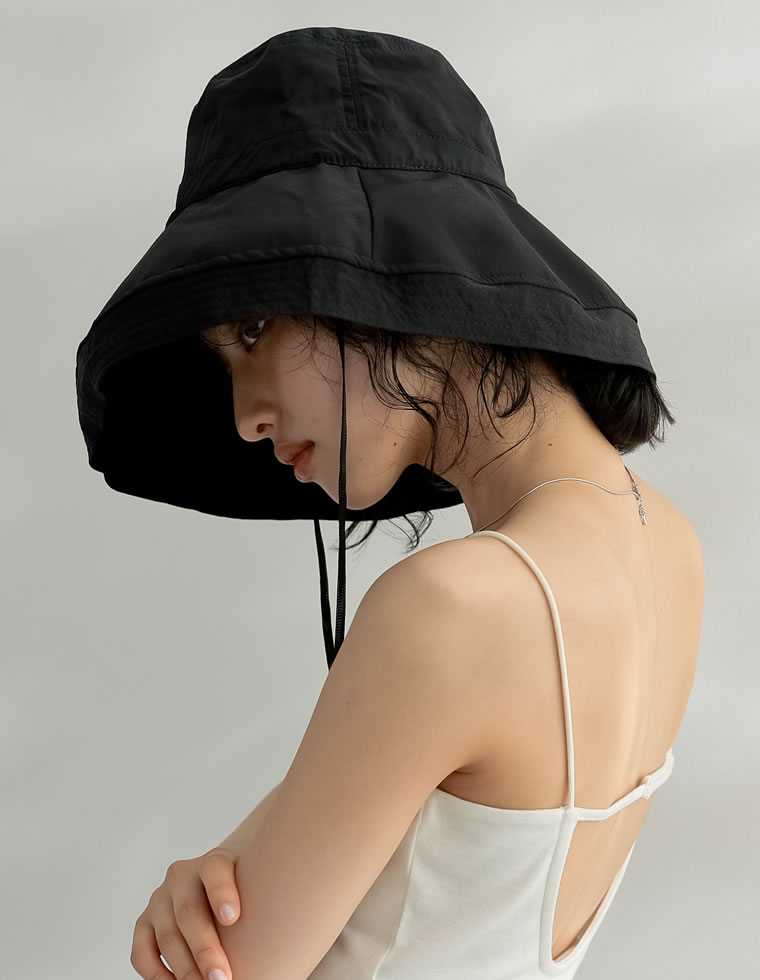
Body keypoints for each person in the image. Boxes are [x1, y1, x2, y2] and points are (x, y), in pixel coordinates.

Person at [78, 26, 705, 980]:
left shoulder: (452, 610)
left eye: (255, 326)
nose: (244, 418)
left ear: (391, 281)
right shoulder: (670, 548)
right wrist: (212, 880)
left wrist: (204, 904)